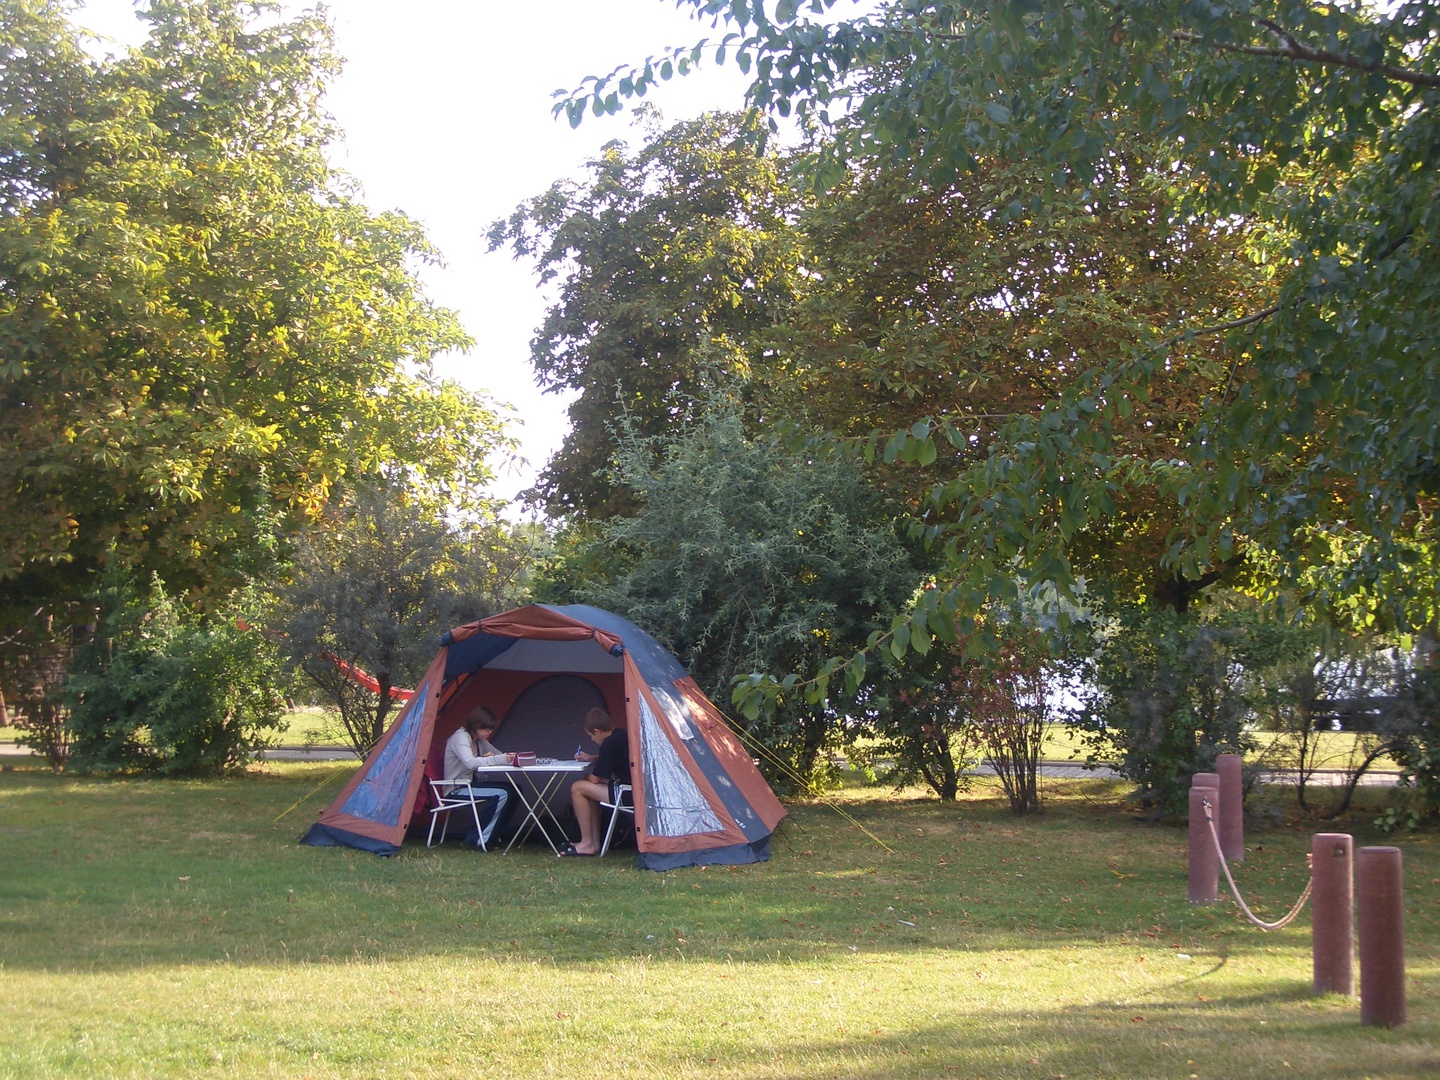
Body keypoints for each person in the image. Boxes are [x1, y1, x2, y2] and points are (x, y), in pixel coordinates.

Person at [560, 707, 630, 856]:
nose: (592, 739)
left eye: (591, 735)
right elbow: (614, 758)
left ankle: (587, 843)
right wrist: (591, 758)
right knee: (587, 787)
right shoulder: (621, 735)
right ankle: (593, 843)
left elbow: (595, 778)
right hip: (638, 789)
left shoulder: (609, 743)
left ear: (597, 731)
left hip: (630, 793)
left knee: (578, 787)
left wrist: (591, 773)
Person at [442, 706, 514, 848]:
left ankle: (495, 835)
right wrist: (500, 759)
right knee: (502, 794)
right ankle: (479, 839)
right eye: (486, 729)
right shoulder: (460, 737)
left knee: (514, 789)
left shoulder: (479, 740)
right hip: (457, 787)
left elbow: (498, 753)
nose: (490, 732)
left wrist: (508, 757)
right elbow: (470, 763)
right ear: (476, 725)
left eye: (491, 729)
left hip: (471, 784)